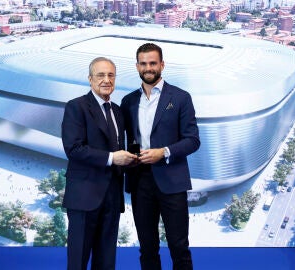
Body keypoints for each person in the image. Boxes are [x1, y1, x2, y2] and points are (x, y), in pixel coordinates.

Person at [121, 43, 200, 270]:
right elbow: (130, 140)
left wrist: (163, 152)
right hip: (140, 182)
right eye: (143, 63)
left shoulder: (181, 98)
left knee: (178, 246)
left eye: (153, 63)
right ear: (137, 66)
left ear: (162, 65)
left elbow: (193, 140)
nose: (148, 68)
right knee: (147, 247)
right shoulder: (128, 102)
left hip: (171, 181)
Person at [62, 57, 137, 270]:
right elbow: (74, 149)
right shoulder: (76, 107)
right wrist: (113, 158)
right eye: (100, 75)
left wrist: (132, 159)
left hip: (112, 198)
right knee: (78, 262)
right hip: (84, 198)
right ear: (90, 79)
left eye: (111, 75)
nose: (106, 80)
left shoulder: (118, 111)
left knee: (106, 262)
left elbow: (119, 148)